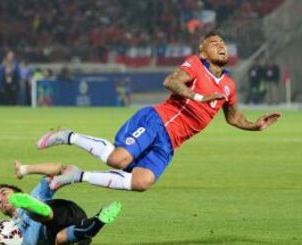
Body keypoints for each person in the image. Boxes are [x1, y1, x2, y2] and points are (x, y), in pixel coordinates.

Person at [35, 31, 281, 193]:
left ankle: (76, 175)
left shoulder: (229, 85)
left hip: (171, 143)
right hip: (158, 121)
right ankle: (68, 136)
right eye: (214, 43)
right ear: (203, 52)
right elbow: (171, 82)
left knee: (142, 182)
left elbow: (233, 117)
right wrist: (199, 96)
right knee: (118, 160)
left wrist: (255, 126)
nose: (221, 46)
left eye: (223, 44)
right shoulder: (195, 65)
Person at [0, 161, 122, 245]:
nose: (0, 199)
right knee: (60, 243)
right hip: (75, 237)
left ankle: (36, 208)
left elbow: (60, 168)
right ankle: (97, 221)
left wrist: (26, 169)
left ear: (18, 193)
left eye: (4, 193)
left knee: (42, 213)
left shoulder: (36, 193)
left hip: (62, 212)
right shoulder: (8, 231)